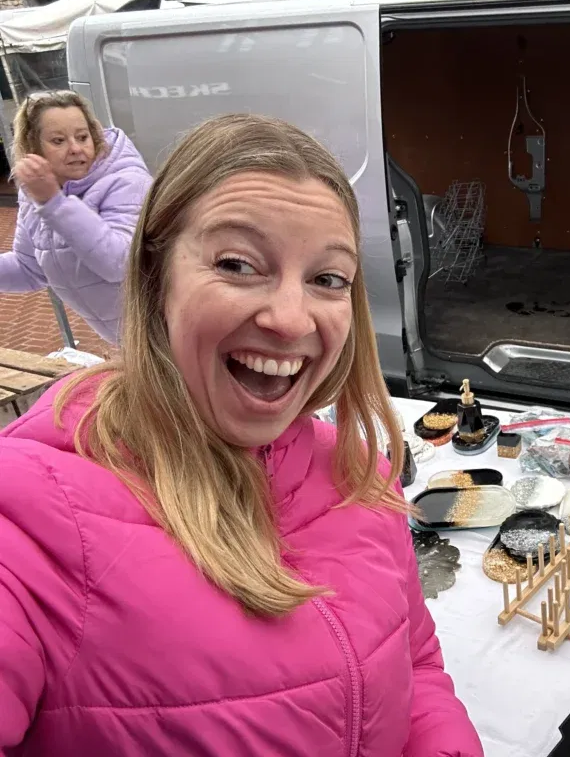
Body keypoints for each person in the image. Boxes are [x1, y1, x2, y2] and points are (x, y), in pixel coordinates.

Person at [0, 113, 483, 755]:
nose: (291, 319)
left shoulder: (358, 474)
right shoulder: (29, 517)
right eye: (237, 264)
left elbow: (415, 664)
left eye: (327, 278)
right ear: (154, 277)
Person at [0, 90, 152, 345]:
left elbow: (121, 264)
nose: (75, 149)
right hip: (129, 340)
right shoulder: (37, 190)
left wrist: (53, 203)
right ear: (33, 146)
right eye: (58, 141)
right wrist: (47, 198)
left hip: (167, 328)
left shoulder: (127, 181)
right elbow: (29, 268)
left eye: (82, 137)